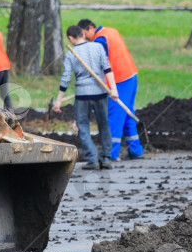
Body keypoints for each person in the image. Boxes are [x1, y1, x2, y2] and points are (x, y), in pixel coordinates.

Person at [53, 25, 119, 170]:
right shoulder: (98, 47)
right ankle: (106, 157)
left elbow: (66, 78)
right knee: (104, 124)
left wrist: (59, 100)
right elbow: (108, 69)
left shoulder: (71, 53)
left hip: (82, 96)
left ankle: (93, 160)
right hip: (101, 93)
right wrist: (113, 89)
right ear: (83, 34)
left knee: (83, 127)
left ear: (70, 38)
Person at [78, 19, 143, 160]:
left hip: (120, 81)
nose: (84, 38)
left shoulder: (100, 40)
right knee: (127, 114)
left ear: (90, 28)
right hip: (131, 76)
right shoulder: (110, 31)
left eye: (84, 34)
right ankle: (136, 150)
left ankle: (110, 154)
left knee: (114, 117)